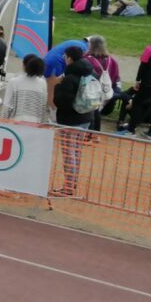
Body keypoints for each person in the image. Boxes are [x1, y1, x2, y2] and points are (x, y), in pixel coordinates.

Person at [52, 46, 96, 196]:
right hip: (86, 116)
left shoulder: (69, 78)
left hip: (70, 120)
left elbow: (61, 101)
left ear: (70, 58)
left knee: (69, 152)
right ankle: (72, 182)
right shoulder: (90, 72)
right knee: (76, 150)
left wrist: (58, 86)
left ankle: (69, 186)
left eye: (66, 57)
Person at [0, 55, 49, 123]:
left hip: (15, 124)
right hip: (36, 124)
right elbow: (43, 106)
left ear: (24, 65)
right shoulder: (43, 83)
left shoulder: (13, 82)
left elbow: (7, 106)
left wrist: (2, 122)